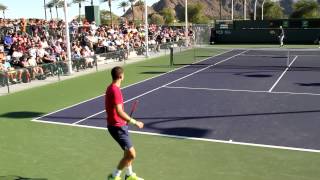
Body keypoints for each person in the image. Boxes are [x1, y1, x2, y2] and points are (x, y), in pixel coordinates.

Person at [105, 66, 144, 180]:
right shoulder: (116, 91)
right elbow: (119, 111)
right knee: (132, 154)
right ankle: (114, 176)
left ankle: (129, 174)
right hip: (117, 127)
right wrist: (134, 122)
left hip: (119, 125)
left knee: (127, 152)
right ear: (121, 76)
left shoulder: (110, 87)